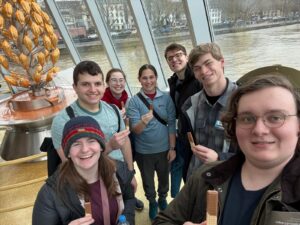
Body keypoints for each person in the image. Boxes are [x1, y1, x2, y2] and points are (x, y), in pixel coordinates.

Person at [153, 74, 300, 225]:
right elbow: (163, 221)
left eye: (275, 117)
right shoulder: (206, 176)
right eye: (247, 118)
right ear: (234, 126)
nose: (259, 130)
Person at [51, 60, 137, 191]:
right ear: (75, 87)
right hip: (90, 183)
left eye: (97, 84)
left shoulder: (113, 110)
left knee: (125, 208)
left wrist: (130, 174)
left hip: (120, 174)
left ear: (103, 86)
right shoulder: (63, 121)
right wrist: (109, 146)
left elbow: (124, 142)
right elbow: (70, 164)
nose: (93, 90)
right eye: (85, 84)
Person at [33, 116, 135, 225]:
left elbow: (128, 198)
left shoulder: (119, 171)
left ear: (101, 146)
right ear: (68, 153)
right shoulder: (50, 194)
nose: (85, 149)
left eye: (91, 141)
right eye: (76, 144)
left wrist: (127, 221)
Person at [127, 64, 176, 220]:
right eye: (144, 78)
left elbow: (172, 125)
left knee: (164, 178)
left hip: (164, 149)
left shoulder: (166, 98)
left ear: (156, 78)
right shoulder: (134, 101)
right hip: (144, 152)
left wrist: (172, 148)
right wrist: (143, 121)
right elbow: (136, 130)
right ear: (139, 80)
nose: (148, 81)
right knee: (147, 181)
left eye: (151, 77)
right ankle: (152, 202)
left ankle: (162, 198)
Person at [181, 43, 237, 179]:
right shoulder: (190, 105)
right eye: (197, 68)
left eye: (208, 63)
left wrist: (219, 158)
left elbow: (256, 152)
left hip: (229, 180)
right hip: (198, 179)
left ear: (222, 62)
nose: (204, 71)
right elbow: (187, 147)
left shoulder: (243, 101)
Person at [102, 68, 144, 211]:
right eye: (114, 80)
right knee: (112, 178)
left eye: (121, 80)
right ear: (107, 82)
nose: (118, 83)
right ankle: (116, 205)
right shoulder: (102, 103)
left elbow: (130, 127)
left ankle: (130, 196)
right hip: (111, 150)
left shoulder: (128, 99)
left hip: (126, 141)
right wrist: (117, 118)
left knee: (129, 170)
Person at [164, 43, 202, 196]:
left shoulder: (198, 80)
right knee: (188, 175)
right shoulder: (174, 82)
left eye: (178, 55)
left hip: (200, 137)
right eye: (170, 58)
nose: (174, 60)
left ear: (186, 57)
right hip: (186, 138)